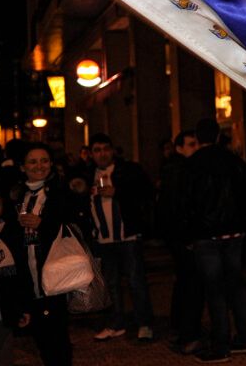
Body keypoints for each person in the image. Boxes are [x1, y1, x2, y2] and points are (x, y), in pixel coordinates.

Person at [179, 118, 246, 363]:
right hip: (235, 234)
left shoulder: (192, 165)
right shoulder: (234, 162)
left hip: (207, 236)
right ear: (216, 136)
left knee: (214, 290)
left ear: (199, 137)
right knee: (236, 285)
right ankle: (245, 337)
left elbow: (185, 204)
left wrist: (189, 235)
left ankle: (221, 345)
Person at [86, 133, 155, 342]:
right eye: (97, 150)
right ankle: (117, 322)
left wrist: (118, 191)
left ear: (113, 150)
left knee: (136, 281)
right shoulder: (87, 174)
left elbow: (146, 192)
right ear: (91, 154)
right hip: (103, 239)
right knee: (111, 284)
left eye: (105, 149)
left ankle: (145, 323)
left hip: (128, 236)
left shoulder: (128, 170)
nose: (102, 154)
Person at [16, 143, 72, 366]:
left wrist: (43, 224)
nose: (39, 166)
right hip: (28, 273)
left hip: (55, 271)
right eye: (33, 161)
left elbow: (73, 226)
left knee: (57, 334)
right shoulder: (18, 195)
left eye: (44, 160)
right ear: (23, 167)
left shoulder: (60, 191)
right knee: (39, 334)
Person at [157, 129, 204, 354]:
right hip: (183, 237)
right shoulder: (180, 171)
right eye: (191, 144)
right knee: (191, 285)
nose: (196, 148)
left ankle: (180, 329)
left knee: (184, 283)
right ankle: (188, 335)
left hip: (177, 236)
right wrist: (187, 238)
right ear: (179, 148)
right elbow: (178, 207)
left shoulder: (174, 169)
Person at [0, 190, 27, 366]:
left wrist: (21, 307)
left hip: (3, 307)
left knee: (4, 352)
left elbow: (20, 274)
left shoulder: (10, 233)